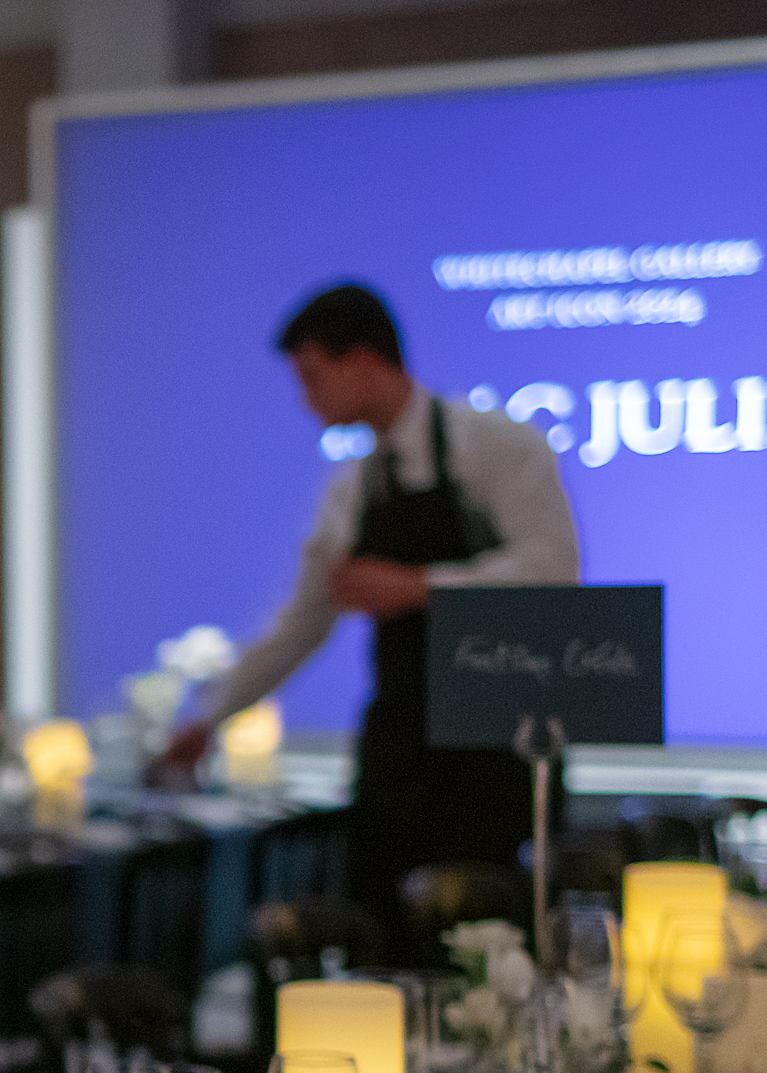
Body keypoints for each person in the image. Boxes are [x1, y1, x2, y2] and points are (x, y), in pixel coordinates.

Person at [157, 282, 581, 926]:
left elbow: (553, 570)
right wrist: (209, 716)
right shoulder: (351, 487)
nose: (306, 401)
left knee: (498, 939)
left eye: (312, 377)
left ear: (362, 360)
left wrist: (416, 587)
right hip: (402, 751)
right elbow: (300, 623)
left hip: (497, 751)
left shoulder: (496, 444)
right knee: (388, 935)